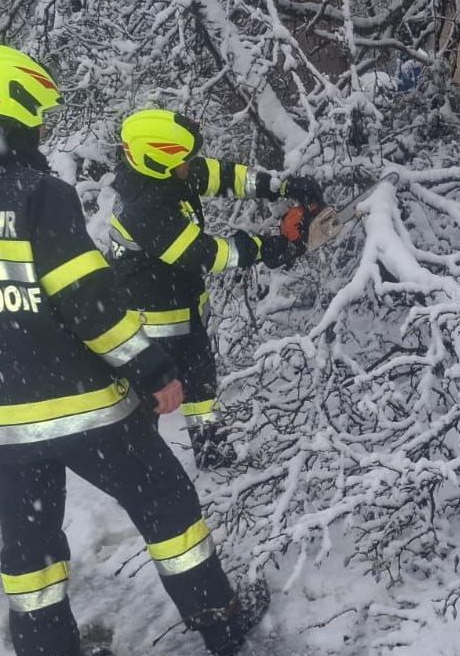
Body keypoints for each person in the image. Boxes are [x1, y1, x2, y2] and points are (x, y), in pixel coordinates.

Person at [0, 44, 259, 656]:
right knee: (168, 508)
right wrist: (153, 369)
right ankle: (220, 622)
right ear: (8, 113)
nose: (43, 131)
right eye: (37, 117)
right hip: (82, 409)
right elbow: (90, 301)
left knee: (30, 554)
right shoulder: (38, 194)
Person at [110, 109, 324, 470]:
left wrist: (282, 186)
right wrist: (267, 248)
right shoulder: (143, 209)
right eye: (184, 161)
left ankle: (211, 451)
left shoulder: (170, 173)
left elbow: (225, 177)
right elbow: (205, 254)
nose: (191, 166)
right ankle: (136, 469)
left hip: (184, 311)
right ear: (158, 162)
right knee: (149, 399)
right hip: (148, 326)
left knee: (201, 389)